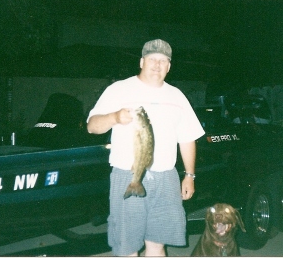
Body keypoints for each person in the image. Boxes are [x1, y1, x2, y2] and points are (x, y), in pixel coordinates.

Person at [87, 39, 205, 256]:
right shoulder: (119, 89)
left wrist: (189, 175)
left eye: (163, 61)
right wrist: (114, 117)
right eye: (152, 59)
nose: (157, 65)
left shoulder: (177, 96)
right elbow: (92, 127)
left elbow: (187, 138)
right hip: (128, 174)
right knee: (127, 246)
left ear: (169, 66)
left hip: (166, 178)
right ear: (142, 61)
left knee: (158, 244)